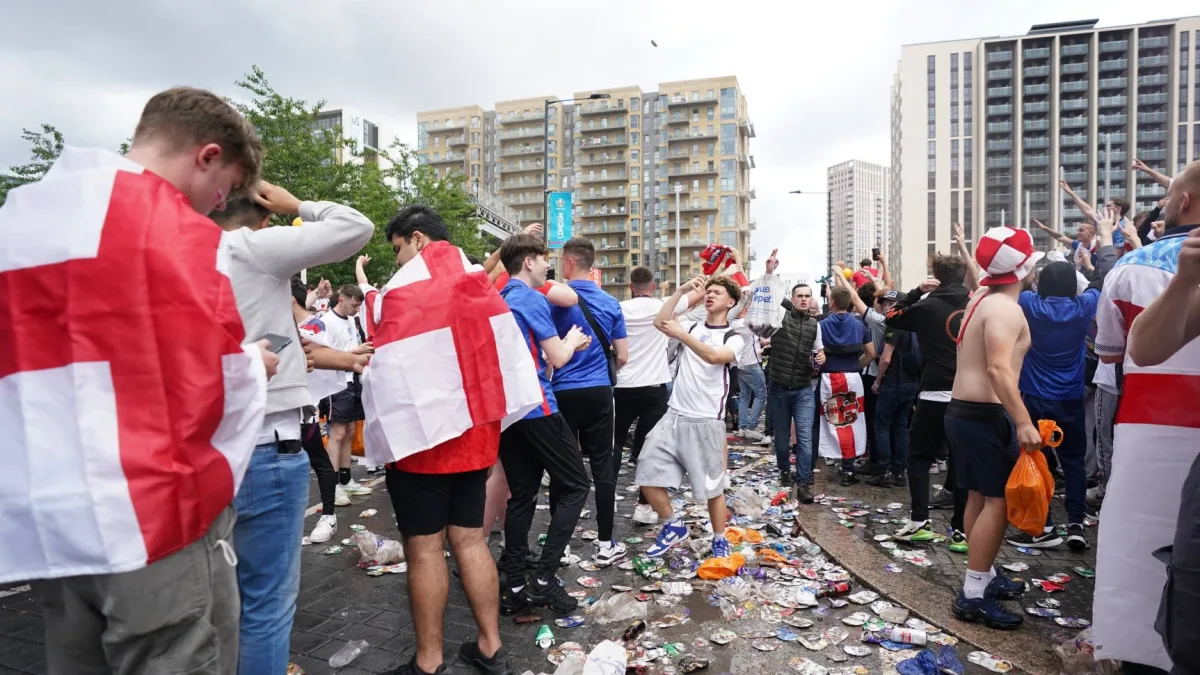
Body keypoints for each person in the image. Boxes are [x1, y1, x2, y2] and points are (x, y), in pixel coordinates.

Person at [13, 87, 276, 675]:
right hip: (148, 511)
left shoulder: (23, 215)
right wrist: (252, 364)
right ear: (207, 156)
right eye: (226, 188)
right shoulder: (173, 232)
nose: (217, 205)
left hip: (52, 513)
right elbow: (205, 379)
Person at [363, 206, 536, 675]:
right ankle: (490, 647)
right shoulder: (478, 284)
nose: (397, 260)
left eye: (397, 248)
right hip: (477, 438)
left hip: (424, 445)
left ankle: (428, 661)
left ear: (416, 239)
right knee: (471, 541)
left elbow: (383, 363)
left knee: (424, 548)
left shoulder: (404, 290)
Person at [209, 180, 373, 673]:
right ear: (263, 217)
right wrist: (295, 204)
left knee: (220, 600)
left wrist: (345, 359)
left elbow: (289, 347)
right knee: (266, 606)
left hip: (206, 450)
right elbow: (354, 226)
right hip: (265, 448)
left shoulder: (178, 253)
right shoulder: (250, 247)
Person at [1092, 161, 1200, 673]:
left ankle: (1140, 651)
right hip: (1162, 423)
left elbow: (1112, 352)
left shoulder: (1131, 268)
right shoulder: (1165, 267)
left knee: (1144, 556)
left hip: (1147, 427)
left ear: (1181, 202)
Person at [1002, 212, 1117, 555]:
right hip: (1070, 397)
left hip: (1034, 399)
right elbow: (1103, 279)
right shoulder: (1083, 307)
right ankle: (1078, 524)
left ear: (1041, 285)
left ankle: (1044, 523)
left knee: (1037, 460)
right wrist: (1103, 242)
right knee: (1074, 461)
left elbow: (1015, 286)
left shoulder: (1028, 304)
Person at [946, 225, 1043, 630]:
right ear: (1023, 270)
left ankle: (982, 574)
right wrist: (1023, 422)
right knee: (997, 504)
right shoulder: (1005, 308)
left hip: (963, 413)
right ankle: (972, 594)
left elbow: (979, 273)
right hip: (984, 416)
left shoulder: (981, 299)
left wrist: (969, 251)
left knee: (977, 498)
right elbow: (998, 369)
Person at [496, 233, 593, 615]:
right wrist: (571, 341)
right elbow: (558, 356)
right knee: (576, 485)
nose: (548, 265)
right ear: (528, 262)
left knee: (522, 494)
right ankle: (543, 579)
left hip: (509, 410)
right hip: (537, 405)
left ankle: (516, 581)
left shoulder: (500, 299)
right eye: (543, 258)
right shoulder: (531, 299)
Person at [637, 276, 745, 558]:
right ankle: (673, 525)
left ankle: (719, 539)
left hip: (707, 421)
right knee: (645, 471)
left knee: (712, 488)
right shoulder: (694, 324)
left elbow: (713, 356)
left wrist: (683, 335)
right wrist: (679, 292)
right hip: (674, 415)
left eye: (717, 292)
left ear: (730, 302)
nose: (709, 296)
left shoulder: (735, 337)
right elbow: (661, 323)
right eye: (707, 292)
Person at [549, 237, 630, 566]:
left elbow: (546, 352)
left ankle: (562, 547)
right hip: (599, 392)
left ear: (568, 263)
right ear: (591, 263)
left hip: (563, 391)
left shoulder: (553, 302)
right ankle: (606, 543)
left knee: (562, 468)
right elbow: (623, 355)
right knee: (602, 465)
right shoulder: (611, 302)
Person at [885, 254, 972, 553]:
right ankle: (961, 531)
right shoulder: (976, 304)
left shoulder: (927, 305)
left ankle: (920, 521)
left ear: (935, 276)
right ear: (962, 277)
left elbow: (892, 317)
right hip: (968, 395)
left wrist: (917, 291)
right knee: (962, 463)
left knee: (919, 457)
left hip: (934, 394)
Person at [292, 275, 369, 544]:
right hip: (281, 416)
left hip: (305, 410)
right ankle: (327, 505)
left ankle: (328, 513)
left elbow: (314, 348)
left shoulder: (312, 324)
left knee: (322, 459)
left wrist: (352, 359)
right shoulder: (307, 321)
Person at [615, 266, 673, 526]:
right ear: (652, 286)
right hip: (654, 386)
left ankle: (607, 496)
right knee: (649, 448)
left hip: (622, 385)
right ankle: (643, 505)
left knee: (614, 444)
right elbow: (695, 297)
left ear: (630, 287)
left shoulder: (619, 308)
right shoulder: (662, 307)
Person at [765, 284, 824, 501]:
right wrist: (770, 271)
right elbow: (771, 293)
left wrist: (821, 358)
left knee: (805, 437)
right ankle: (784, 471)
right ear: (793, 298)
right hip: (779, 389)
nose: (804, 299)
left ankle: (804, 482)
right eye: (799, 296)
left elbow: (820, 351)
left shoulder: (815, 325)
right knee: (781, 440)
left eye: (807, 296)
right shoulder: (781, 317)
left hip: (803, 389)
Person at [817, 286, 876, 486]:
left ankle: (829, 457)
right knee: (851, 422)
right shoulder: (860, 325)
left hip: (829, 378)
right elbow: (871, 353)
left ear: (832, 302)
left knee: (829, 421)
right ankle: (848, 469)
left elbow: (815, 354)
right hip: (853, 378)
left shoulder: (821, 325)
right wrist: (855, 367)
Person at [322, 284, 375, 505]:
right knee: (337, 432)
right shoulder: (327, 321)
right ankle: (332, 486)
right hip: (336, 383)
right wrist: (357, 351)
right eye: (354, 304)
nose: (356, 309)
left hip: (352, 380)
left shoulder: (351, 322)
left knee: (351, 430)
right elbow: (325, 354)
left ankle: (345, 480)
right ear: (342, 299)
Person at [867, 290, 920, 487]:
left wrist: (877, 381)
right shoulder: (916, 326)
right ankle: (900, 471)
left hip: (893, 383)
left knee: (882, 426)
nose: (887, 307)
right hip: (911, 384)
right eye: (885, 303)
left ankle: (884, 470)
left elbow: (886, 358)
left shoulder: (895, 325)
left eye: (892, 303)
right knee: (901, 428)